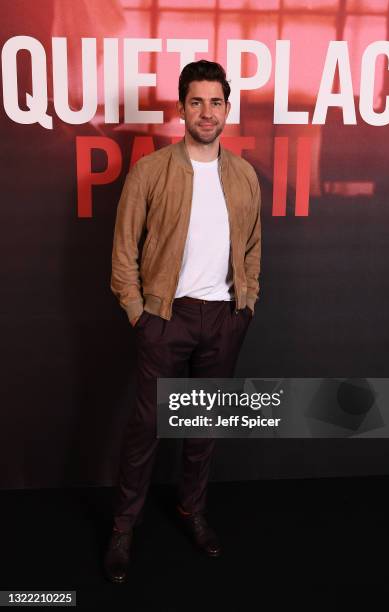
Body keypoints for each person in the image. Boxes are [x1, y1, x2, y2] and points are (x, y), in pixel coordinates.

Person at [104, 59, 262, 583]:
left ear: (227, 109)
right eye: (196, 101)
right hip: (165, 318)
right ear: (181, 109)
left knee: (202, 429)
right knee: (146, 427)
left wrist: (247, 304)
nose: (207, 112)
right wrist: (139, 313)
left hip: (222, 319)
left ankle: (192, 512)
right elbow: (123, 251)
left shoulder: (242, 175)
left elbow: (253, 247)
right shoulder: (151, 171)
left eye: (216, 102)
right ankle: (124, 527)